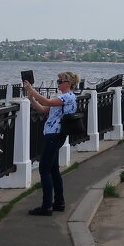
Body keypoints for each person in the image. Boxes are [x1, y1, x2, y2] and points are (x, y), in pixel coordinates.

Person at [24, 71, 79, 216]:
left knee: (44, 170)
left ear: (69, 83)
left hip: (54, 135)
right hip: (55, 135)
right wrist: (32, 99)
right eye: (58, 80)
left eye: (60, 81)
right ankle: (59, 202)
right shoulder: (62, 98)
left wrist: (32, 90)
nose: (58, 83)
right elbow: (43, 109)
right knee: (53, 170)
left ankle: (46, 206)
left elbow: (47, 102)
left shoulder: (67, 97)